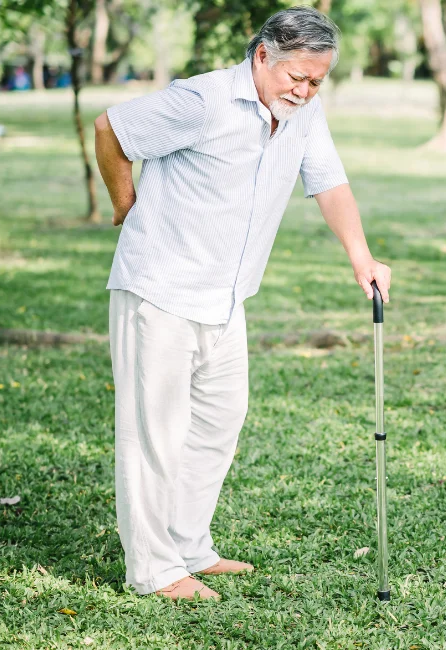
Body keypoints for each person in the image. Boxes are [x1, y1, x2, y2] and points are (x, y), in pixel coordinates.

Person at [92, 6, 391, 602]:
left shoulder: (302, 115)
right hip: (162, 287)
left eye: (316, 81)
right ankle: (152, 570)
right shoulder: (201, 100)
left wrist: (361, 255)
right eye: (295, 78)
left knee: (219, 423)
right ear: (262, 56)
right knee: (156, 433)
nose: (304, 91)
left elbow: (328, 181)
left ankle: (189, 544)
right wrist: (125, 205)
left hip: (227, 297)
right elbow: (110, 129)